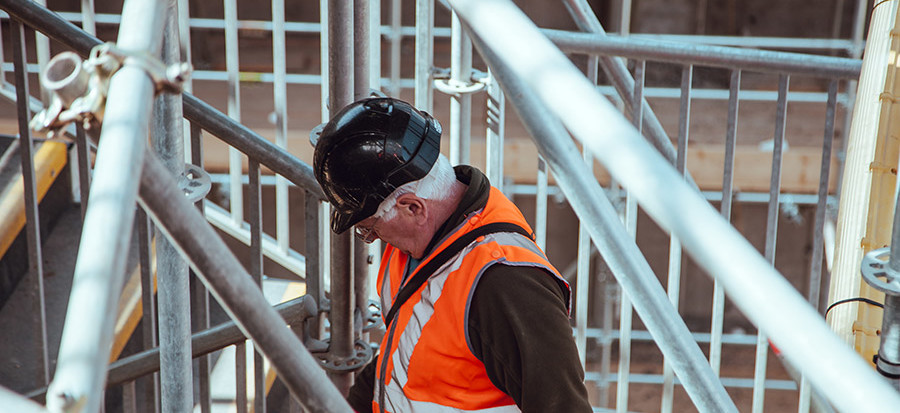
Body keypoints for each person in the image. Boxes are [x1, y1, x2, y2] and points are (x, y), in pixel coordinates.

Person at [313, 97, 592, 413]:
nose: (371, 237)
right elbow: (405, 345)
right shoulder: (419, 242)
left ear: (413, 207)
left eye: (369, 226)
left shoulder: (505, 283)